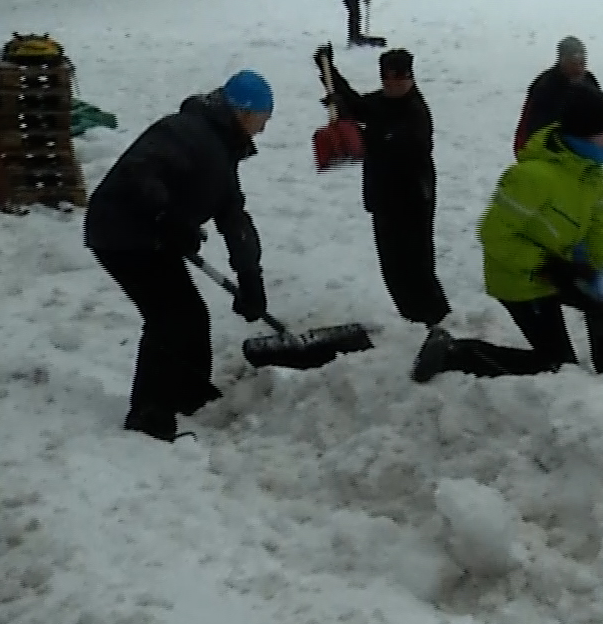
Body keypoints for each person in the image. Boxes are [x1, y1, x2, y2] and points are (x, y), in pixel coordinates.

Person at [412, 87, 603, 383]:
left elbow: (601, 235)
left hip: (561, 266)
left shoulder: (591, 173)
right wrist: (546, 266)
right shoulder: (532, 177)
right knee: (557, 368)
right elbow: (493, 235)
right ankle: (454, 353)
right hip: (519, 277)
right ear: (585, 134)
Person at [82, 71, 274, 442]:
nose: (261, 130)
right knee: (169, 319)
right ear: (243, 112)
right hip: (120, 232)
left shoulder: (222, 148)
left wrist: (251, 278)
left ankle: (191, 395)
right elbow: (141, 171)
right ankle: (148, 418)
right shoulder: (186, 132)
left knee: (190, 315)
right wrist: (167, 217)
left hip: (152, 236)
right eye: (261, 120)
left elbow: (234, 218)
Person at [315, 43, 449, 335]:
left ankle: (437, 320)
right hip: (383, 199)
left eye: (398, 79)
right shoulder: (382, 102)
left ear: (410, 78)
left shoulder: (416, 113)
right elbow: (357, 105)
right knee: (393, 268)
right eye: (387, 79)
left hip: (412, 200)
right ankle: (414, 322)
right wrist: (330, 74)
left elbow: (394, 145)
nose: (392, 85)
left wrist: (356, 134)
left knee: (417, 266)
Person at [512, 36, 600, 154]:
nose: (579, 66)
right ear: (562, 60)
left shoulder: (589, 81)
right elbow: (530, 124)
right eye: (573, 60)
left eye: (582, 59)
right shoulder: (547, 86)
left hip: (584, 151)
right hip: (550, 152)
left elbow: (600, 114)